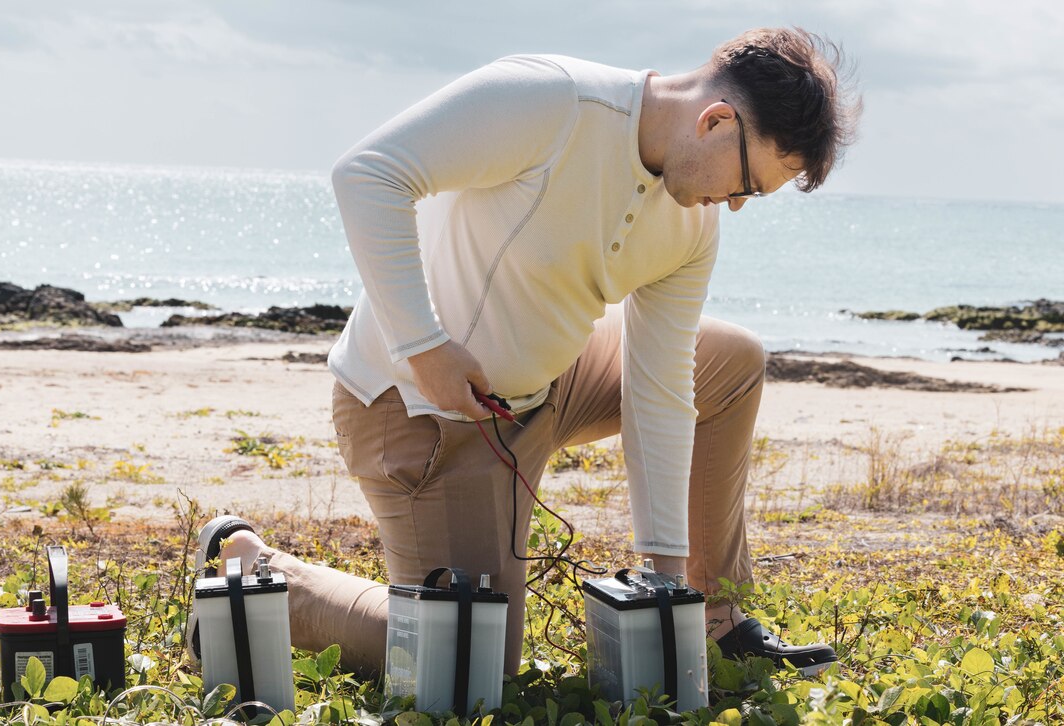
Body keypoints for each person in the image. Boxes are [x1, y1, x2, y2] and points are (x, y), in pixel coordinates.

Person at [193, 27, 860, 681]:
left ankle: (714, 620)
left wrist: (662, 581)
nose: (738, 205)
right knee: (467, 663)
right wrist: (425, 348)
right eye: (749, 182)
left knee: (730, 361)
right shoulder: (552, 101)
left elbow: (659, 387)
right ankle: (263, 575)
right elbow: (368, 174)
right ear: (715, 121)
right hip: (423, 408)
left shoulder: (693, 224)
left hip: (551, 385)